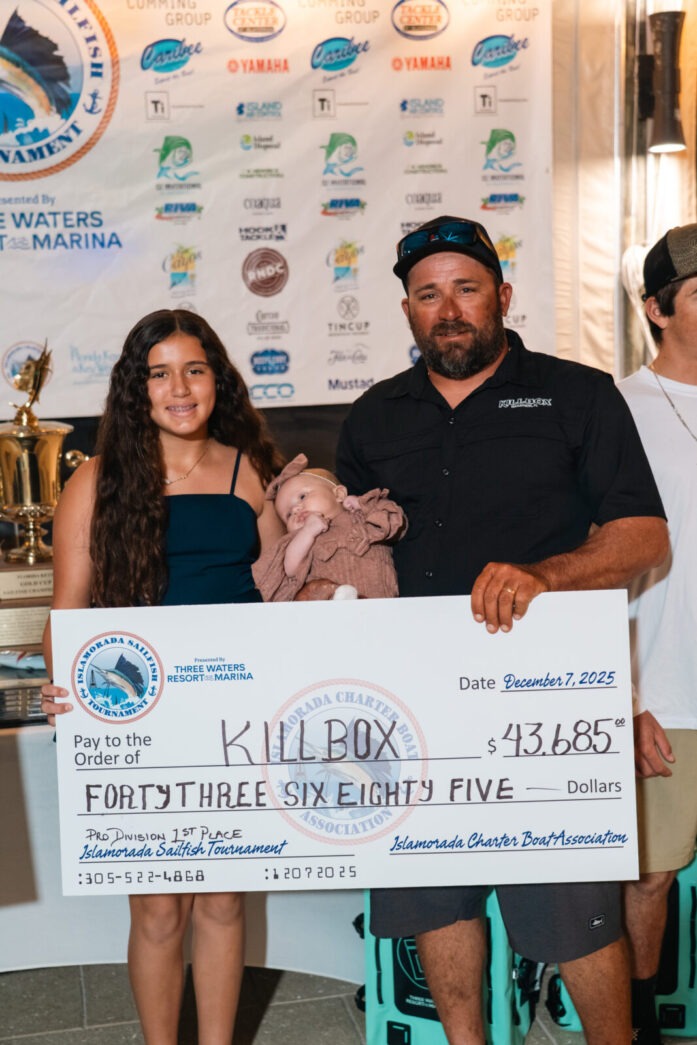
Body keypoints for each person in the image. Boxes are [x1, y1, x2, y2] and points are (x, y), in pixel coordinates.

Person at [336, 215, 669, 1045]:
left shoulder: (577, 393)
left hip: (542, 698)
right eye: (426, 294)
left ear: (502, 297)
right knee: (434, 892)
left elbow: (643, 537)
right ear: (407, 310)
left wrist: (543, 575)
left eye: (465, 288)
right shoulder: (373, 418)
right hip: (409, 700)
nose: (447, 308)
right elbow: (344, 550)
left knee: (576, 910)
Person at [40, 308, 285, 1045]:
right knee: (157, 910)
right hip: (138, 717)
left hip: (237, 713)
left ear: (219, 380)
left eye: (194, 369)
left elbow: (283, 597)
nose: (178, 387)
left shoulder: (252, 473)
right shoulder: (96, 481)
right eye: (158, 373)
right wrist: (67, 696)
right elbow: (68, 608)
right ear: (134, 388)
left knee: (220, 902)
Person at [619, 223, 697, 1045]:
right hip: (664, 687)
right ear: (656, 308)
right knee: (650, 874)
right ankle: (634, 1026)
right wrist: (625, 695)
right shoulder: (616, 411)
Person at [252, 452, 406, 601]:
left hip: (380, 604)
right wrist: (307, 533)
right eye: (288, 515)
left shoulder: (361, 515)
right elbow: (290, 569)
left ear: (339, 494)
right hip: (328, 611)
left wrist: (362, 504)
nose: (296, 509)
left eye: (302, 496)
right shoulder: (305, 539)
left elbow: (395, 522)